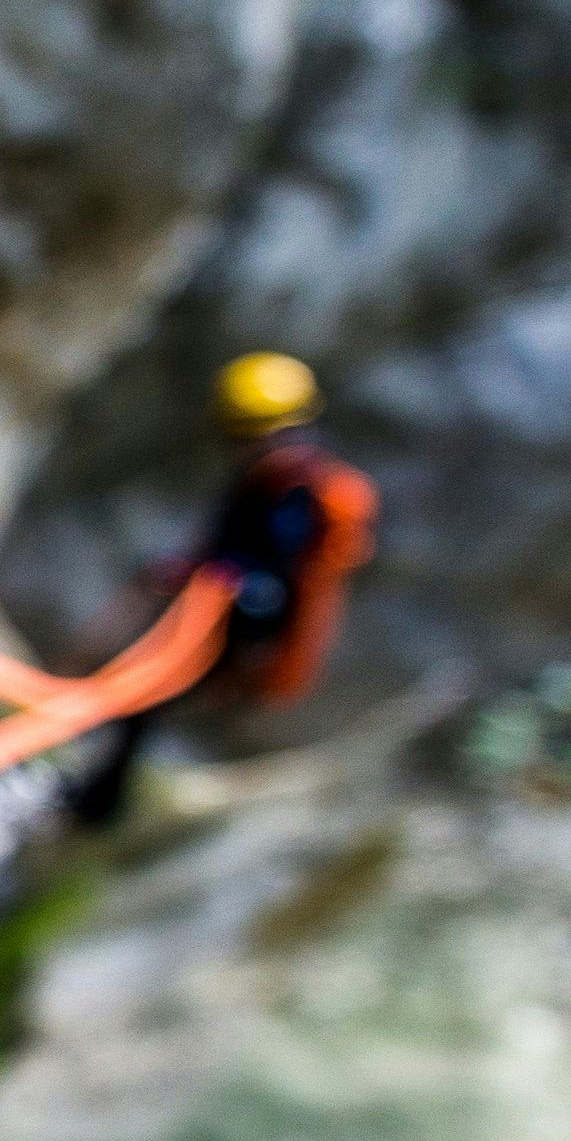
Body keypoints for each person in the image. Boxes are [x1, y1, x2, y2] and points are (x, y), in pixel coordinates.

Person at [62, 352, 379, 828]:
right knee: (141, 701)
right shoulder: (275, 480)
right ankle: (93, 791)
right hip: (221, 617)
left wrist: (220, 582)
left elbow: (277, 574)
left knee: (145, 699)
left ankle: (97, 803)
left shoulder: (297, 491)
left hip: (235, 625)